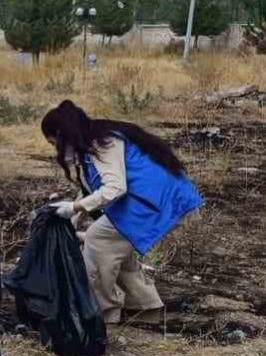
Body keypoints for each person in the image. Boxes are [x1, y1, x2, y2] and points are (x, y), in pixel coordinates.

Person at [41, 100, 202, 325]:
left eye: (54, 143)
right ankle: (145, 309)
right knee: (115, 246)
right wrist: (73, 217)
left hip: (156, 201)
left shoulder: (103, 142)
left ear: (62, 134)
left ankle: (103, 313)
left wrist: (75, 208)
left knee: (98, 240)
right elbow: (96, 188)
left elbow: (115, 188)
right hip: (149, 199)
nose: (56, 150)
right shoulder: (91, 144)